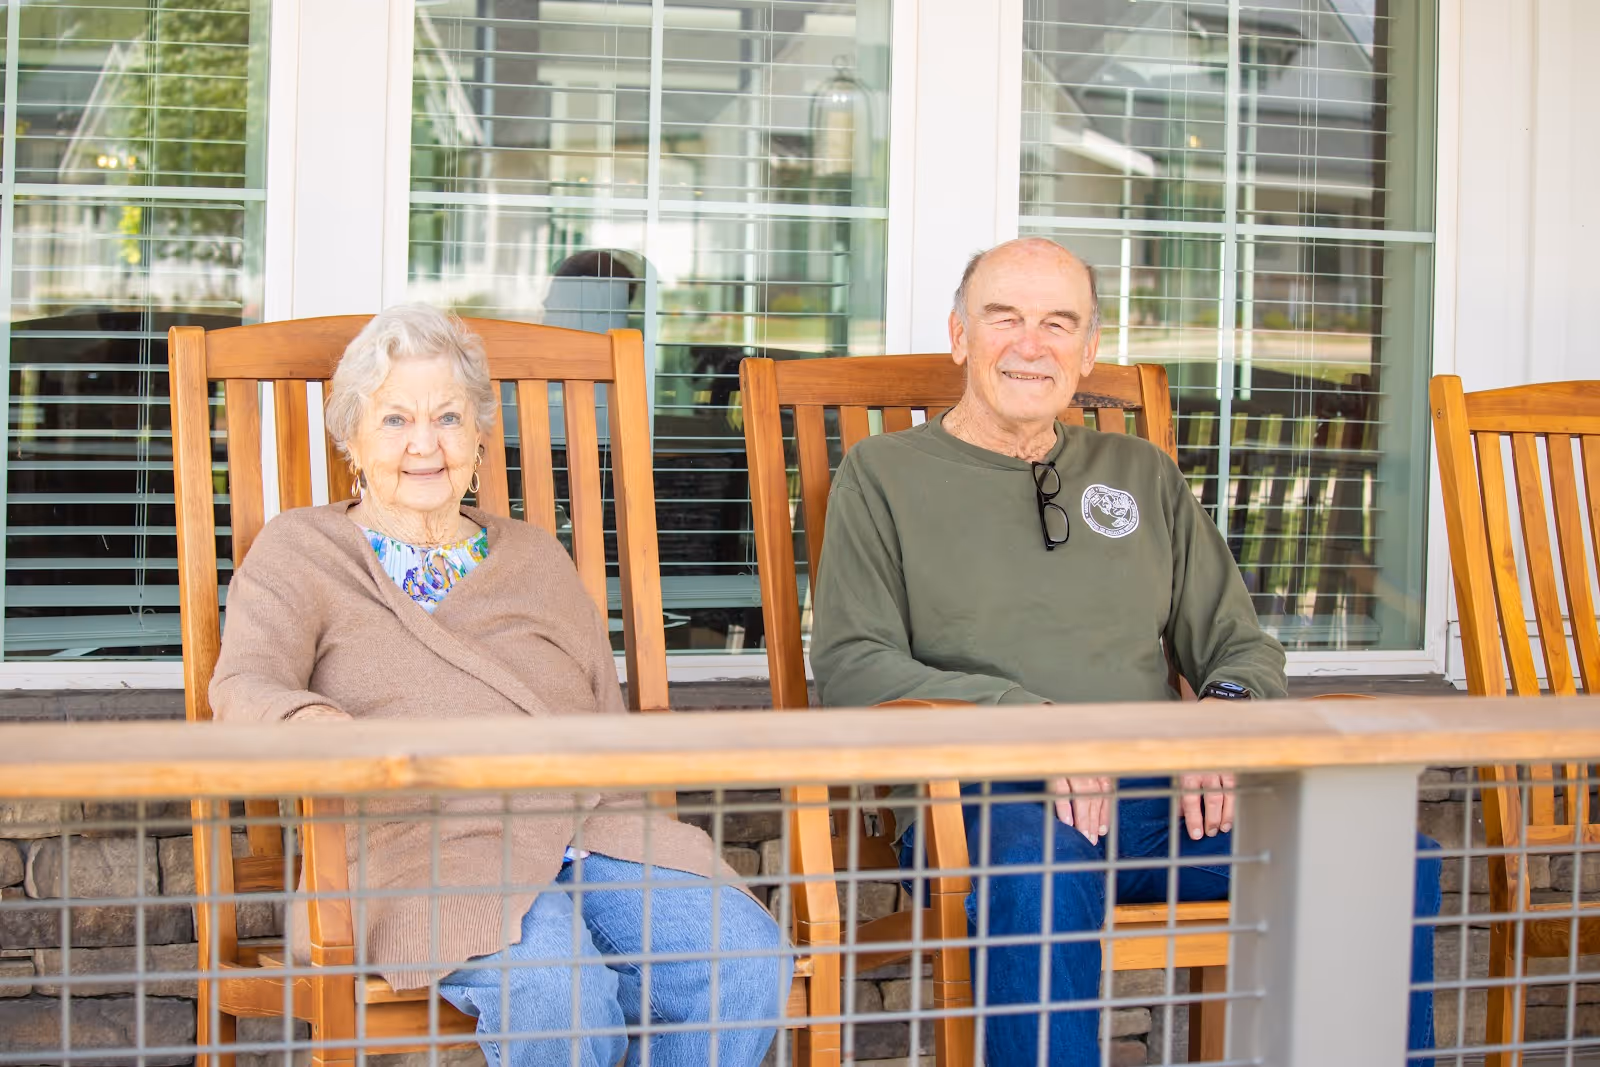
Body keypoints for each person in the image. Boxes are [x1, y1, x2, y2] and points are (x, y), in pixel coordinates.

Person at [809, 238, 1441, 1065]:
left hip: (1166, 804)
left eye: (1057, 323)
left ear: (1088, 351)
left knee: (1383, 849)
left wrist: (1224, 722)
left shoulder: (1141, 472)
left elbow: (1240, 647)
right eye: (1006, 318)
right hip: (981, 810)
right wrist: (1033, 727)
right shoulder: (882, 473)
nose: (1031, 344)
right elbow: (854, 664)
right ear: (961, 335)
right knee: (1037, 859)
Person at [210, 304, 788, 1067]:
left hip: (588, 829)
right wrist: (311, 724)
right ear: (350, 438)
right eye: (395, 419)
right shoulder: (304, 550)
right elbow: (244, 682)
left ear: (479, 434)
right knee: (561, 994)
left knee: (744, 959)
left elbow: (605, 715)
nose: (425, 443)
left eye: (448, 416)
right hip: (423, 847)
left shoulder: (535, 556)